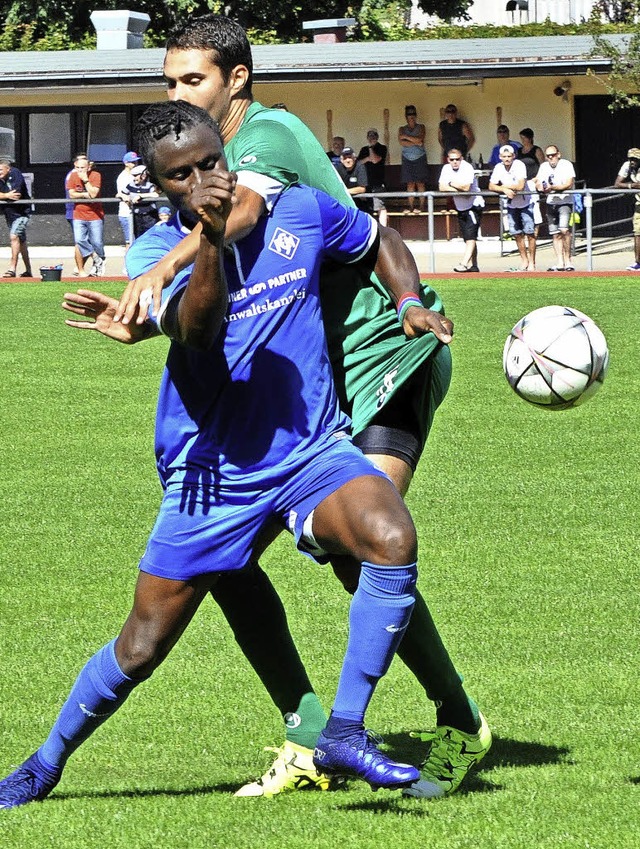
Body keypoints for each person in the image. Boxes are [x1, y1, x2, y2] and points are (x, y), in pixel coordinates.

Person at [0, 99, 430, 809]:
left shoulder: (296, 210)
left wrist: (408, 298)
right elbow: (199, 330)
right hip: (214, 477)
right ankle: (44, 763)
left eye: (210, 163)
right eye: (181, 175)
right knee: (140, 646)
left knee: (390, 534)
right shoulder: (149, 258)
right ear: (157, 184)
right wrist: (206, 240)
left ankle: (345, 729)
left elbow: (377, 239)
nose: (204, 178)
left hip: (309, 453)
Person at [112, 13, 491, 801]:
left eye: (194, 79)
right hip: (319, 382)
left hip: (384, 354)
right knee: (232, 558)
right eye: (171, 81)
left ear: (236, 80)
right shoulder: (216, 152)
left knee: (361, 546)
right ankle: (312, 728)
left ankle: (456, 719)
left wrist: (161, 267)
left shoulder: (270, 134)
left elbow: (240, 214)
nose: (180, 93)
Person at [489, 145, 536, 272]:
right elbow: (491, 185)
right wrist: (504, 189)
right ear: (500, 157)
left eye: (509, 156)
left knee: (530, 233)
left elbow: (521, 186)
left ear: (514, 156)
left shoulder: (520, 165)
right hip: (511, 204)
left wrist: (507, 186)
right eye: (504, 157)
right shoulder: (498, 168)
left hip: (526, 203)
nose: (507, 159)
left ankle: (532, 261)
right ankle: (524, 260)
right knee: (516, 233)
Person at [438, 147, 484, 273]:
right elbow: (442, 187)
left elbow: (466, 188)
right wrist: (458, 189)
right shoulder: (446, 169)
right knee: (468, 238)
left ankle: (464, 264)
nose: (455, 162)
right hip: (461, 207)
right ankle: (474, 265)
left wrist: (451, 184)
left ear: (461, 158)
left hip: (474, 205)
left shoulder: (467, 167)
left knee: (470, 236)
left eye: (457, 159)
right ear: (448, 159)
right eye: (452, 159)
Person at [535, 145, 576, 272]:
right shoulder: (543, 167)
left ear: (558, 154)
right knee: (555, 234)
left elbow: (569, 183)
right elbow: (538, 181)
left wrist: (553, 188)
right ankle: (560, 262)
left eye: (553, 155)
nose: (550, 157)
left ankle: (568, 260)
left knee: (564, 230)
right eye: (548, 156)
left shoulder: (566, 164)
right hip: (550, 202)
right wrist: (540, 187)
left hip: (565, 201)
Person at [65, 153, 106, 277]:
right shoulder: (72, 176)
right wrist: (84, 195)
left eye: (82, 168)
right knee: (79, 239)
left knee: (97, 242)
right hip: (78, 214)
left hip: (95, 215)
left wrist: (86, 180)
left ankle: (98, 264)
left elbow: (93, 194)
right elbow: (71, 194)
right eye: (77, 168)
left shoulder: (95, 175)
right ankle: (96, 257)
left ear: (88, 167)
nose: (79, 170)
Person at [516, 128, 545, 268]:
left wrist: (536, 180)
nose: (523, 140)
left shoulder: (536, 150)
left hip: (533, 184)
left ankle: (533, 237)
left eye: (524, 138)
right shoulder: (519, 152)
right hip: (522, 186)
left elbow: (542, 166)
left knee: (534, 215)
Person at [0, 157, 33, 278]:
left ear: (8, 169)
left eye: (0, 170)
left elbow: (16, 195)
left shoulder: (15, 174)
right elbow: (9, 195)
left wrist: (3, 196)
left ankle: (12, 269)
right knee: (21, 241)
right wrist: (5, 195)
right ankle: (28, 270)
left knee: (14, 236)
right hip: (9, 213)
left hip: (22, 213)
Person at [614, 146, 640, 271]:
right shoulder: (627, 166)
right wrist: (632, 185)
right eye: (631, 159)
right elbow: (617, 183)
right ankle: (638, 263)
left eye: (635, 159)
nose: (632, 161)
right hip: (639, 204)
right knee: (637, 233)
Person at [398, 105, 428, 214]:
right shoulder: (402, 128)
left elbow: (421, 140)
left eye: (413, 114)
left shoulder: (421, 127)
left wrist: (406, 137)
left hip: (420, 157)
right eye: (409, 114)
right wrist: (416, 142)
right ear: (405, 116)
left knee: (420, 183)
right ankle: (410, 207)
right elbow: (401, 142)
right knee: (410, 184)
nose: (412, 116)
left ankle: (422, 207)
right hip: (407, 158)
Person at [120, 163, 160, 239]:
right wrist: (124, 196)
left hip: (149, 216)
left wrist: (141, 196)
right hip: (137, 217)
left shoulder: (150, 185)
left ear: (143, 176)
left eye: (136, 176)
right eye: (133, 176)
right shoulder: (131, 185)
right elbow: (120, 194)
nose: (134, 178)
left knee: (151, 237)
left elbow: (155, 195)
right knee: (139, 238)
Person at [357, 128, 388, 225]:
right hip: (366, 183)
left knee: (380, 207)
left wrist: (370, 148)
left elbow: (375, 159)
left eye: (374, 135)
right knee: (367, 207)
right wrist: (367, 158)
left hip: (378, 182)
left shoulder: (382, 148)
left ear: (377, 137)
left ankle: (384, 230)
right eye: (370, 136)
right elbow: (358, 163)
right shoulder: (363, 149)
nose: (372, 138)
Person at [335, 147, 372, 214]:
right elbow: (334, 186)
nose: (347, 160)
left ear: (354, 158)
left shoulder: (360, 166)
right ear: (341, 160)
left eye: (350, 157)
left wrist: (345, 191)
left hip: (361, 203)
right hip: (344, 202)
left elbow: (362, 188)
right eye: (345, 158)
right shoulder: (338, 168)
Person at [116, 151, 140, 250]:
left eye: (136, 162)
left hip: (137, 212)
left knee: (139, 241)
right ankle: (127, 265)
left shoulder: (138, 175)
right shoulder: (123, 177)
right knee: (130, 242)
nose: (135, 164)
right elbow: (123, 194)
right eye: (132, 162)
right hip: (127, 213)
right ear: (126, 163)